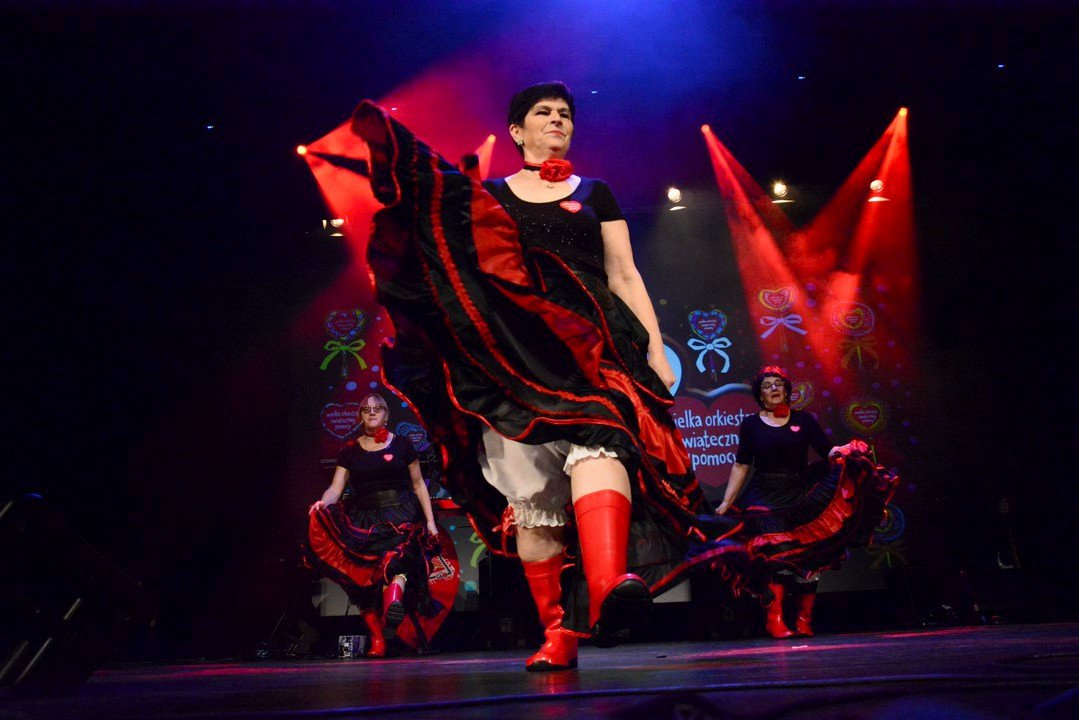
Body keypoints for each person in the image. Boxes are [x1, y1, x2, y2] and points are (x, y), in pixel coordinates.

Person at [347, 82, 736, 670]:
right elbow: (453, 265)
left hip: (593, 343)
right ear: (517, 130)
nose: (557, 120)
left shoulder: (597, 192)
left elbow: (624, 275)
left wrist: (656, 348)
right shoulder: (492, 196)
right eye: (543, 112)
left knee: (602, 433)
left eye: (565, 114)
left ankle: (606, 590)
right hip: (516, 354)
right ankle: (558, 633)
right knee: (531, 492)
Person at [715, 366, 890, 638]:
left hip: (801, 493)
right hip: (766, 495)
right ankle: (775, 621)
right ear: (760, 395)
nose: (774, 388)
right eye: (767, 386)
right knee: (776, 557)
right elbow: (741, 464)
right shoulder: (750, 424)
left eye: (778, 384)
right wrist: (727, 502)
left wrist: (845, 450)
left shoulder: (804, 420)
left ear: (786, 391)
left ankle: (803, 621)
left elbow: (827, 451)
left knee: (808, 558)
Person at [307, 393, 440, 657]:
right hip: (363, 518)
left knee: (397, 560)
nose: (371, 412)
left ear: (386, 414)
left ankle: (392, 609)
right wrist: (322, 502)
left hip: (400, 513)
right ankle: (378, 638)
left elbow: (418, 485)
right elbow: (335, 488)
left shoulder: (402, 445)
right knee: (360, 578)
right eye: (366, 409)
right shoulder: (348, 451)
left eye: (377, 408)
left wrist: (430, 522)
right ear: (360, 415)